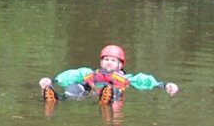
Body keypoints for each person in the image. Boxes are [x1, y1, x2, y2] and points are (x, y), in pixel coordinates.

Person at [39, 44, 179, 106]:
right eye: (106, 59)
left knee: (114, 90)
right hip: (90, 92)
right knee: (77, 86)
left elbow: (144, 80)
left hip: (111, 94)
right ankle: (58, 99)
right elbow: (71, 74)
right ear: (101, 61)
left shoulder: (126, 79)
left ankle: (105, 100)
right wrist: (52, 80)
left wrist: (165, 85)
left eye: (113, 60)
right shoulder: (90, 73)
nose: (109, 63)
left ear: (120, 65)